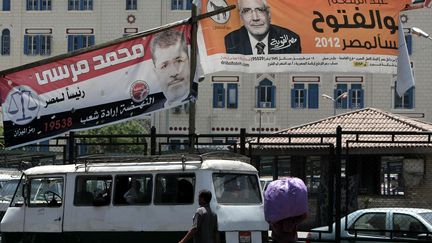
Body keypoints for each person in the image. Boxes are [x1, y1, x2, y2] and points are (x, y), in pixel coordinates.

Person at [224, 0, 301, 55]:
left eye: (260, 10)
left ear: (269, 14)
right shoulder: (231, 40)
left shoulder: (290, 39)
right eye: (247, 11)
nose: (255, 18)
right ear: (241, 16)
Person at [150, 28, 190, 107]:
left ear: (189, 62)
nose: (174, 72)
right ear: (156, 73)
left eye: (179, 61)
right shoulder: (154, 109)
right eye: (164, 66)